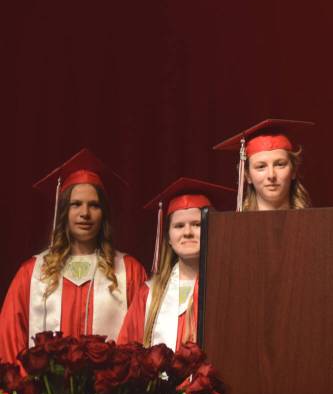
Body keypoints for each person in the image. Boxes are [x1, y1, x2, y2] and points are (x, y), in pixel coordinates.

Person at [0, 150, 147, 363]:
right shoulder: (31, 272)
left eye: (94, 205)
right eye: (75, 204)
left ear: (104, 213)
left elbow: (140, 340)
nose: (84, 213)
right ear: (63, 212)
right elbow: (9, 344)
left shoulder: (129, 271)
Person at [118, 177, 234, 348]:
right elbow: (127, 350)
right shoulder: (149, 293)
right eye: (179, 226)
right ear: (168, 238)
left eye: (197, 224)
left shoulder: (229, 288)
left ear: (213, 229)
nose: (187, 232)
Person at [213, 119, 314, 211]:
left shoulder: (313, 225)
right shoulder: (233, 228)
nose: (271, 175)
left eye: (280, 164)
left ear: (293, 171)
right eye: (261, 167)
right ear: (247, 175)